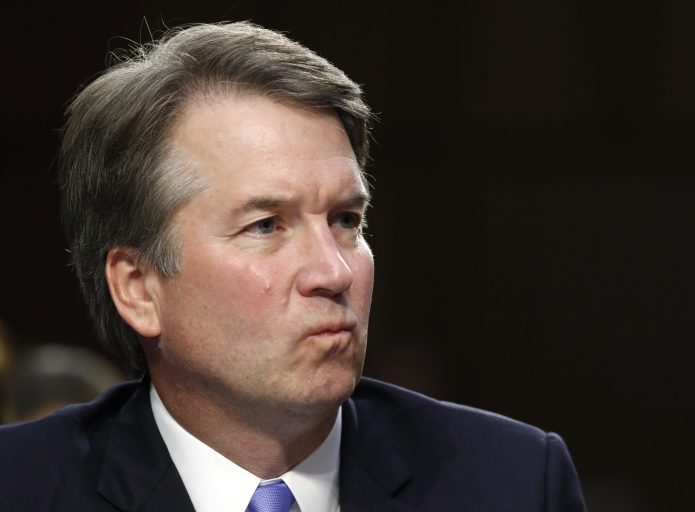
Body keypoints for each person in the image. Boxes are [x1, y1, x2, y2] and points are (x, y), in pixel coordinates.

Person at [0, 22, 586, 512]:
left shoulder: (512, 484)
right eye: (266, 226)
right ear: (139, 288)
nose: (333, 273)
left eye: (346, 220)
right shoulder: (22, 488)